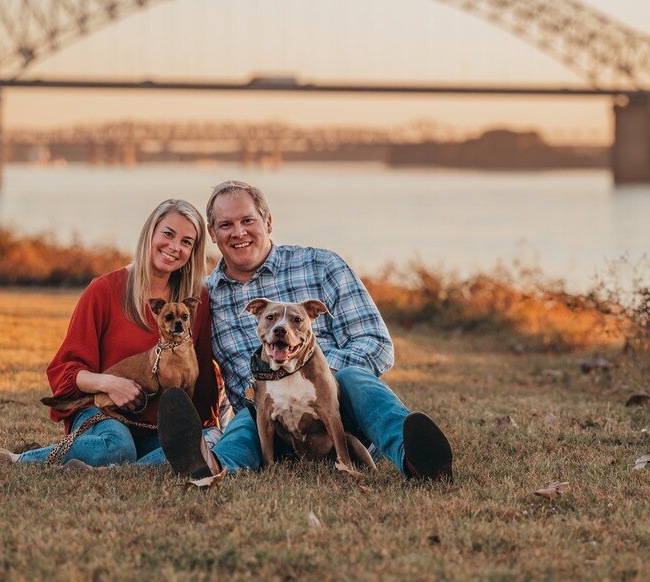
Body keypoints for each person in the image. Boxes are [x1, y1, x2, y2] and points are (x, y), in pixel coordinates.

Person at [152, 180, 453, 481]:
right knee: (247, 418)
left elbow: (375, 343)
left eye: (248, 220)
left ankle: (416, 460)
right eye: (226, 224)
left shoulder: (321, 266)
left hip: (337, 418)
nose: (239, 232)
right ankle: (210, 466)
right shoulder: (206, 298)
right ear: (213, 234)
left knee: (353, 378)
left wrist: (313, 378)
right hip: (268, 425)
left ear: (268, 222)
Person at [0, 199, 220, 467]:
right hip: (104, 414)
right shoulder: (103, 290)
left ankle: (116, 468)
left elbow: (203, 376)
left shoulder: (196, 301)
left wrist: (208, 427)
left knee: (211, 441)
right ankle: (15, 458)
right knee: (117, 447)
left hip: (159, 426)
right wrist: (110, 383)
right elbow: (66, 370)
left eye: (186, 242)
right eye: (168, 234)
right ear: (150, 232)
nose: (174, 247)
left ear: (193, 251)